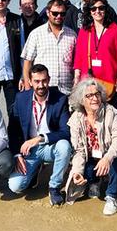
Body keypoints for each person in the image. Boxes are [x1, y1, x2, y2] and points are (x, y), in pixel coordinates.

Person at [7, 64, 72, 205]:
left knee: (64, 146)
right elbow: (13, 130)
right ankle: (36, 170)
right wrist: (17, 155)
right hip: (29, 151)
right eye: (36, 81)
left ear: (49, 79)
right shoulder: (21, 99)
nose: (41, 85)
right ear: (30, 81)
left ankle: (54, 187)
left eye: (44, 80)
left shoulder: (60, 99)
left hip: (50, 146)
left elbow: (66, 132)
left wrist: (40, 138)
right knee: (15, 186)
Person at [64, 78, 117, 216]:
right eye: (89, 95)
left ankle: (111, 196)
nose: (95, 98)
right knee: (85, 173)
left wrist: (107, 158)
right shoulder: (76, 119)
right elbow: (79, 150)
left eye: (97, 94)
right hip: (91, 157)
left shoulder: (111, 112)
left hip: (111, 154)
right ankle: (95, 181)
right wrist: (77, 172)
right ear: (81, 100)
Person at [73, 0, 117, 104]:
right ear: (89, 11)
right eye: (93, 8)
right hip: (88, 82)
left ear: (106, 9)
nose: (97, 11)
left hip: (109, 82)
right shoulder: (85, 31)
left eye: (101, 8)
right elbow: (78, 56)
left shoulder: (115, 30)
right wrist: (76, 78)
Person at [20, 0, 77, 94]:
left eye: (62, 14)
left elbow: (76, 62)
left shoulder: (72, 35)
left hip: (67, 90)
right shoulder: (36, 34)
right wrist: (27, 87)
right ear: (47, 12)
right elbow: (27, 62)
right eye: (55, 13)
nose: (59, 16)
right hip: (43, 90)